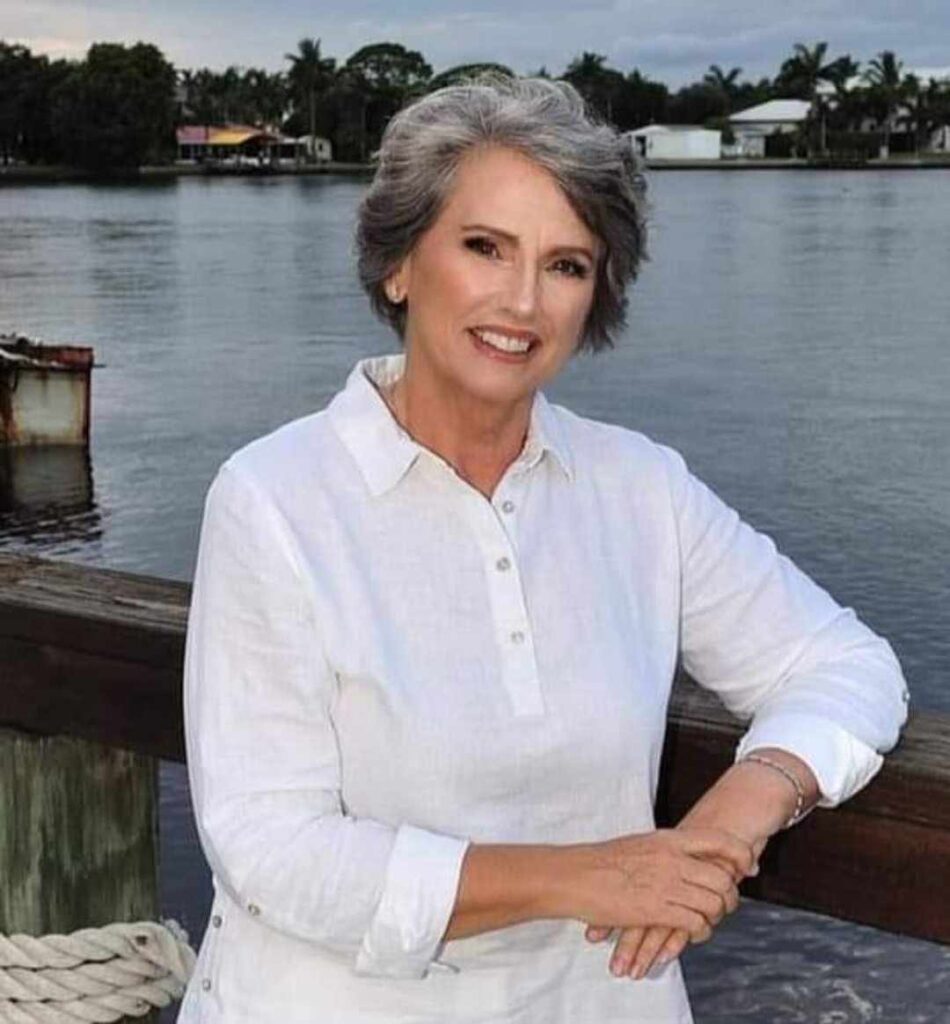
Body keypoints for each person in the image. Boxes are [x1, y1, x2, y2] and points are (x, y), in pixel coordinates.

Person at [177, 76, 909, 1024]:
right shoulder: (271, 498)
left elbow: (848, 665)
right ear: (400, 262)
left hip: (604, 999)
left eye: (566, 265)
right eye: (485, 247)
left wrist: (736, 815)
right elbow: (269, 844)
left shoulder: (639, 488)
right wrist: (588, 877)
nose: (522, 301)